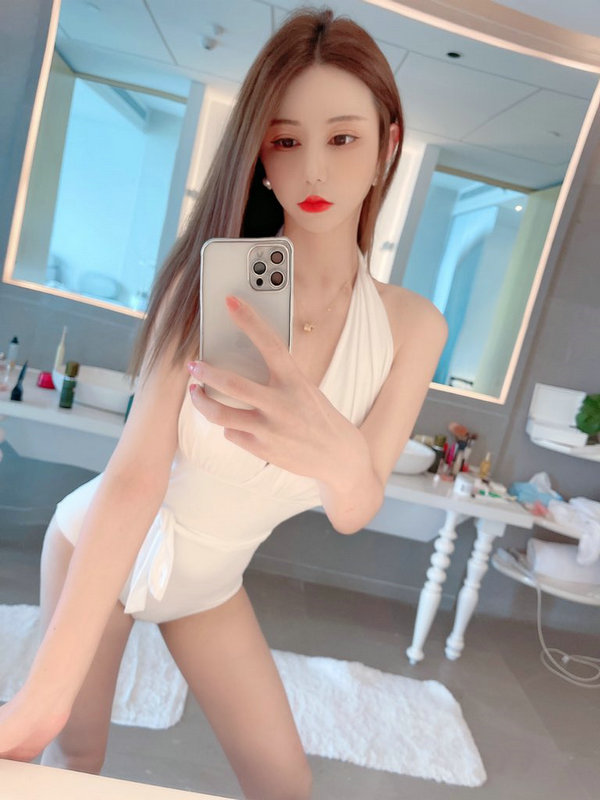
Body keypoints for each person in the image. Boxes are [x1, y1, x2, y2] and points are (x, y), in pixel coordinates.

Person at [0, 7, 447, 799]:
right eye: (287, 140)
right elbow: (135, 477)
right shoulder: (218, 283)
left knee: (286, 786)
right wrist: (39, 698)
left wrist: (337, 451)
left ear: (388, 146)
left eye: (343, 138)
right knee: (78, 754)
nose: (314, 171)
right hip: (106, 541)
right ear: (259, 156)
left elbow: (354, 507)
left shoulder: (413, 327)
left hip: (212, 579)